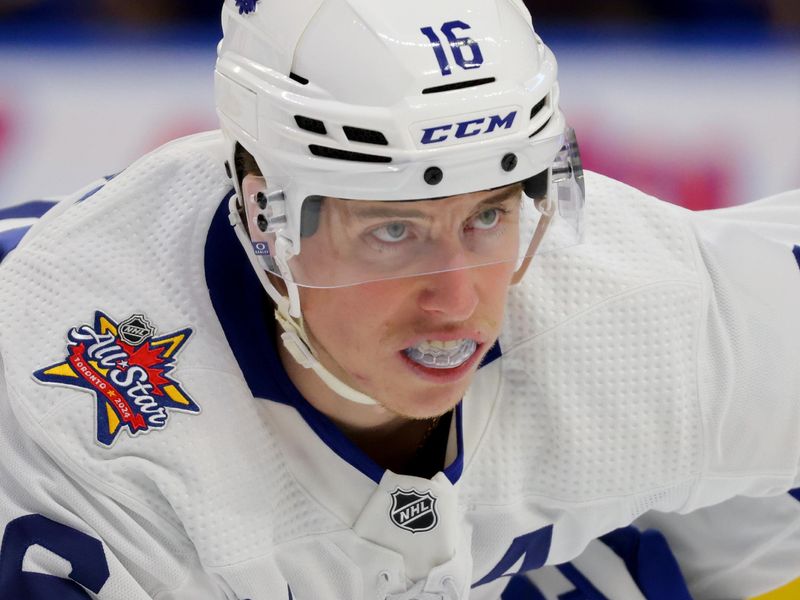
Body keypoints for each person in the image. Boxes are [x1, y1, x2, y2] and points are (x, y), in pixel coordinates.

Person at [1, 0, 799, 598]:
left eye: (488, 215)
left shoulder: (627, 298)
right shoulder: (83, 449)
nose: (457, 304)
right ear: (262, 218)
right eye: (394, 231)